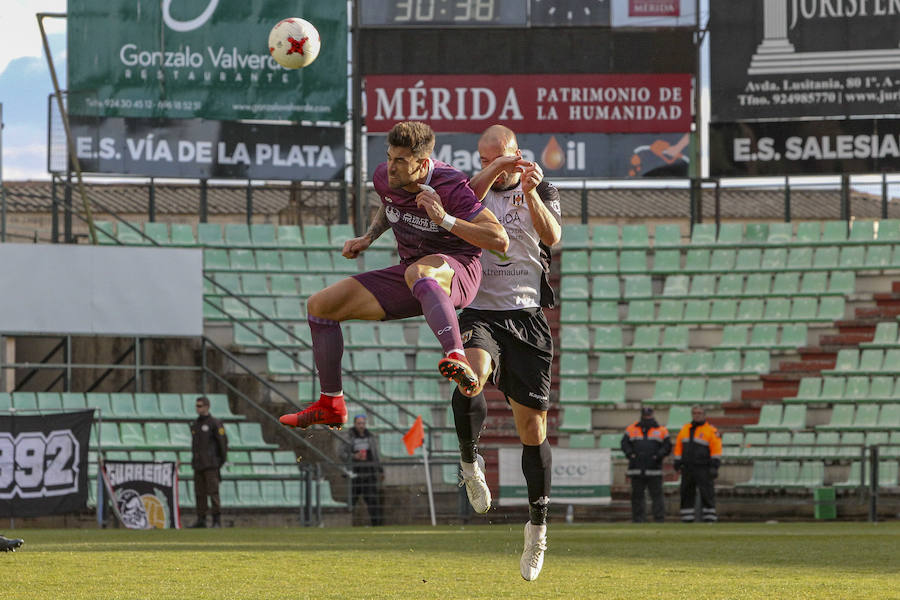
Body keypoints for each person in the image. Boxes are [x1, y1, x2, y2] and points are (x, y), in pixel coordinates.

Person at [279, 121, 508, 430]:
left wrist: (445, 219)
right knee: (321, 306)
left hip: (458, 270)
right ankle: (331, 402)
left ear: (423, 163)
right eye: (389, 156)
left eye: (400, 161)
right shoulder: (384, 178)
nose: (391, 167)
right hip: (413, 273)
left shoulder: (450, 185)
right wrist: (368, 238)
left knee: (420, 272)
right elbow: (391, 206)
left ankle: (457, 356)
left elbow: (498, 239)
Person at [450, 124, 561, 581]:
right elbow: (461, 205)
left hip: (527, 316)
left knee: (532, 430)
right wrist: (487, 174)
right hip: (479, 309)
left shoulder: (542, 186)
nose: (490, 167)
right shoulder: (469, 192)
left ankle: (537, 531)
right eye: (482, 159)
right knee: (468, 375)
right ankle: (469, 460)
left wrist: (531, 194)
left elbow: (552, 237)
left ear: (519, 156)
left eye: (499, 158)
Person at [621, 407, 672, 523]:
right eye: (645, 415)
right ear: (642, 415)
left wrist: (658, 456)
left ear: (653, 415)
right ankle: (638, 519)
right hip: (636, 469)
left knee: (657, 496)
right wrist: (630, 454)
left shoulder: (661, 430)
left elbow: (667, 446)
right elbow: (624, 444)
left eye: (649, 415)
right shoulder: (631, 429)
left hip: (654, 469)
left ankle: (659, 519)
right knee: (637, 496)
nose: (647, 417)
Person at [673, 405, 722, 523]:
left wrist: (714, 466)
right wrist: (677, 462)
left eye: (699, 413)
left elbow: (716, 449)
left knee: (707, 493)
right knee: (686, 493)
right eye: (694, 413)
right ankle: (687, 519)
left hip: (704, 467)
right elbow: (679, 447)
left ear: (704, 415)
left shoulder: (711, 430)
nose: (697, 415)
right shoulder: (685, 429)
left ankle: (709, 519)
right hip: (688, 467)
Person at [190, 396, 228, 528]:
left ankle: (216, 520)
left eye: (200, 406)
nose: (197, 408)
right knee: (199, 493)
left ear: (207, 407)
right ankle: (201, 519)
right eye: (196, 406)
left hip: (211, 464)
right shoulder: (195, 424)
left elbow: (222, 444)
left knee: (213, 492)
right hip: (198, 464)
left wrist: (219, 461)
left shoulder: (215, 423)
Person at [342, 414, 384, 526]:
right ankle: (346, 524)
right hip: (354, 473)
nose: (361, 426)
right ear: (355, 424)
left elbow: (375, 454)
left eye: (363, 423)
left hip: (368, 473)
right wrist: (354, 456)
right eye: (359, 423)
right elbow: (341, 453)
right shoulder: (349, 437)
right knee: (352, 500)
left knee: (372, 500)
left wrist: (380, 469)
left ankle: (376, 524)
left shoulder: (370, 436)